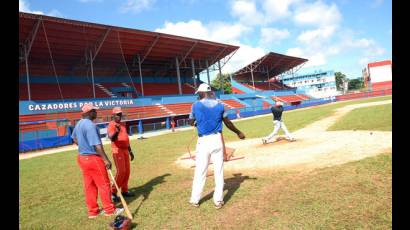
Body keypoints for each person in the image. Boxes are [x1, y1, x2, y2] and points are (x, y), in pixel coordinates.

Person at [188, 83, 245, 209]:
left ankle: (194, 199)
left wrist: (196, 122)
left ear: (201, 93)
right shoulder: (220, 105)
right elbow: (228, 122)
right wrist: (238, 132)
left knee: (200, 171)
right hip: (217, 139)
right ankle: (218, 201)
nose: (197, 94)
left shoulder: (195, 105)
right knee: (218, 171)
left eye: (198, 93)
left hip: (203, 141)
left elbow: (191, 121)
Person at [71, 103, 124, 219]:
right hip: (93, 158)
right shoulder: (91, 125)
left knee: (90, 185)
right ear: (89, 113)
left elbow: (73, 138)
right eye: (94, 111)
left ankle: (93, 212)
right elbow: (97, 146)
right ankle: (110, 210)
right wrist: (106, 160)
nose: (96, 113)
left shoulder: (79, 123)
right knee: (104, 184)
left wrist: (83, 146)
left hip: (82, 158)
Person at [107, 107, 135, 203]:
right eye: (117, 114)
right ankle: (113, 192)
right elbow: (112, 138)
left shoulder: (123, 124)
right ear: (113, 115)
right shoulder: (111, 124)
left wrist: (130, 151)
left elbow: (126, 139)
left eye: (120, 114)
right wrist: (116, 131)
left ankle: (124, 190)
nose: (119, 116)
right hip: (117, 150)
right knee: (121, 171)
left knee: (127, 171)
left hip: (125, 150)